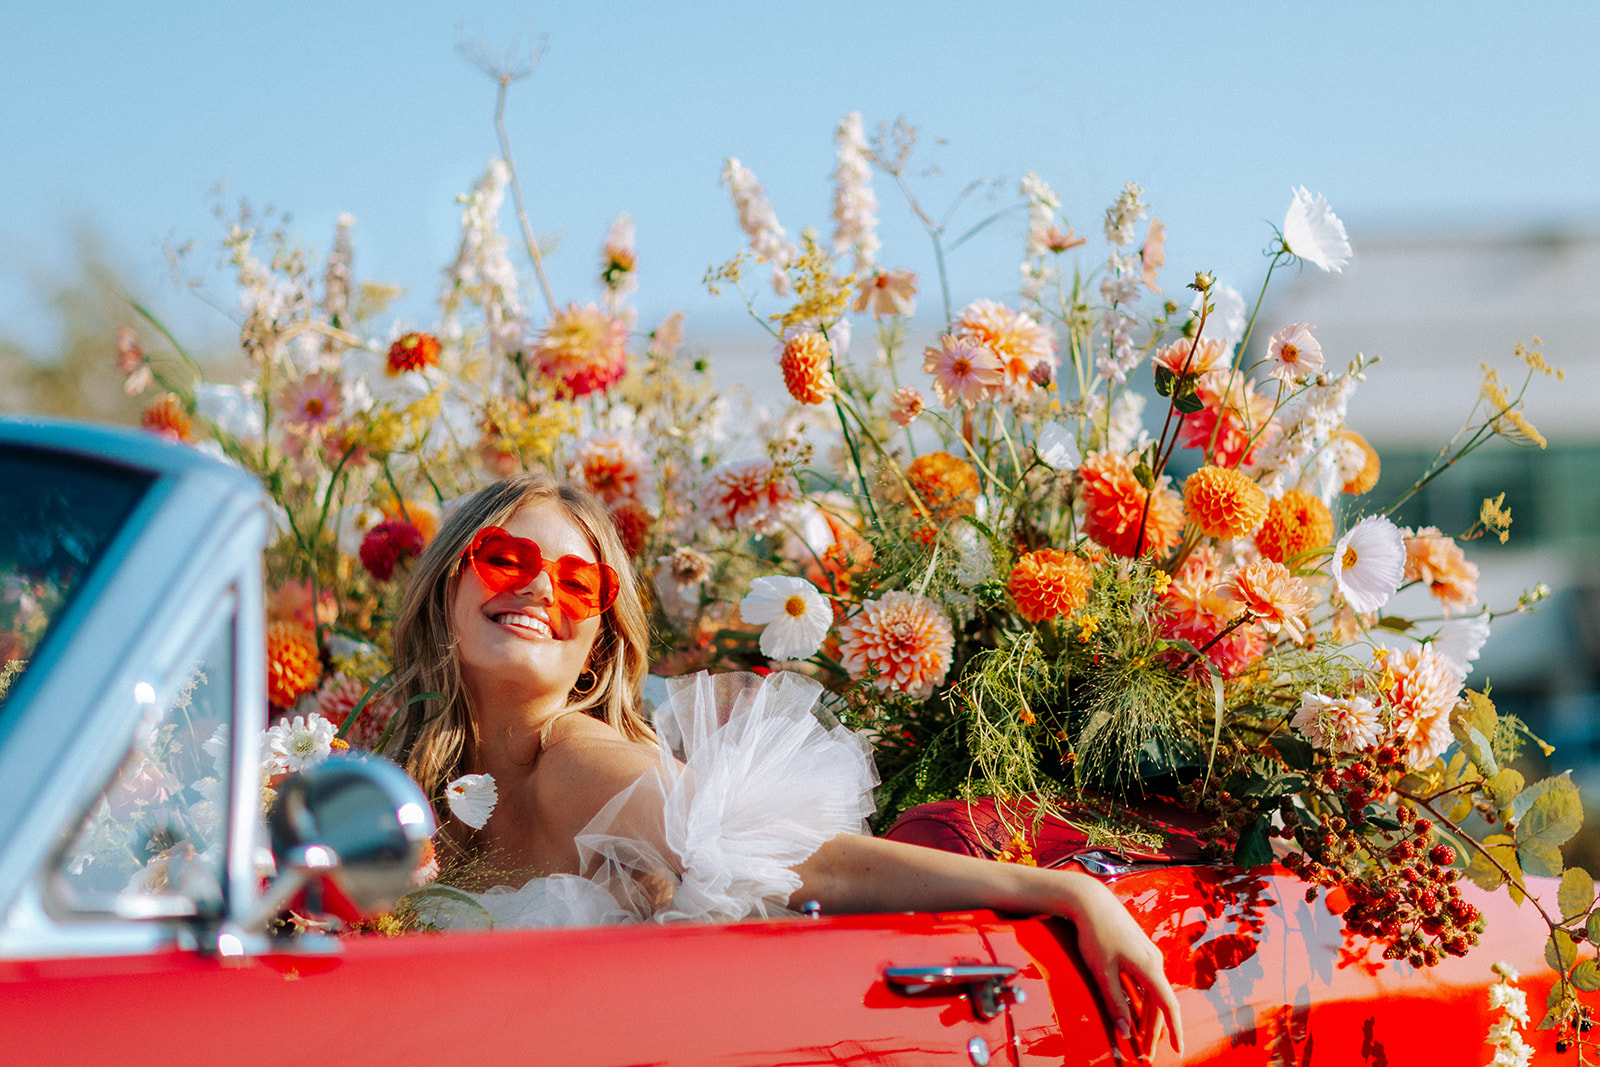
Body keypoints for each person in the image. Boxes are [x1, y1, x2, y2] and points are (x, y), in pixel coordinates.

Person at [390, 471, 1183, 1058]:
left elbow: (807, 867)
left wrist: (1065, 890)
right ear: (447, 582)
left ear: (598, 642)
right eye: (505, 557)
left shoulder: (580, 765)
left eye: (577, 581)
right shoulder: (411, 788)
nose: (537, 585)